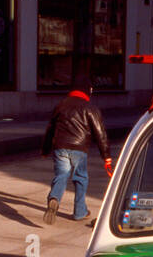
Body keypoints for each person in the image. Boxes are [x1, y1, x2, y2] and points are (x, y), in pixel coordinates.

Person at [41, 75, 112, 224]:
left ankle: (54, 198)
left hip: (60, 147)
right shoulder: (90, 108)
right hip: (80, 148)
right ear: (87, 90)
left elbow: (50, 128)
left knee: (61, 175)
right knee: (80, 178)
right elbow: (100, 133)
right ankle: (80, 212)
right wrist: (106, 156)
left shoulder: (61, 105)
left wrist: (46, 149)